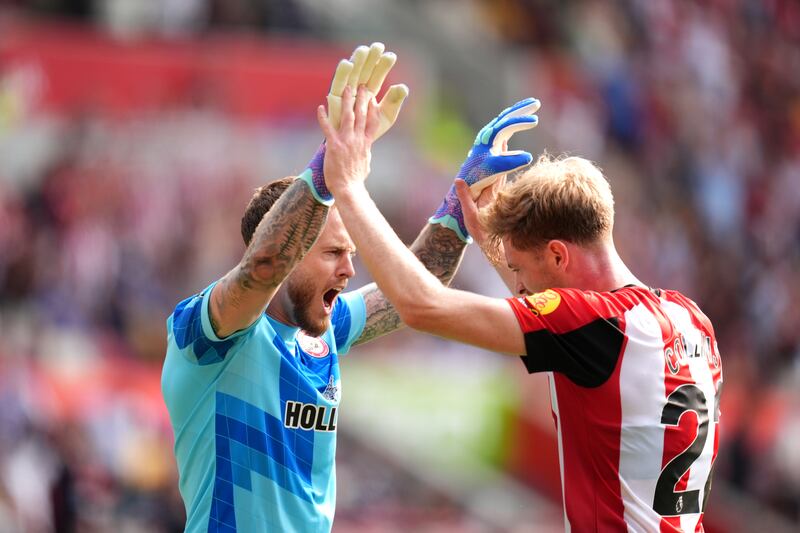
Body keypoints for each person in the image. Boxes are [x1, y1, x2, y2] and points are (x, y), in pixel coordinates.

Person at [319, 95, 724, 532]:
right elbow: (550, 308)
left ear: (556, 254)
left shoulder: (592, 323)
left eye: (518, 270)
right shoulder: (690, 318)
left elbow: (422, 306)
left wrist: (349, 188)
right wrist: (492, 235)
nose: (519, 289)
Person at [160, 43, 481, 533]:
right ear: (290, 253)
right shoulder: (207, 336)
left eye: (350, 253)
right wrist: (329, 173)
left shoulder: (323, 332)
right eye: (333, 253)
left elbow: (421, 282)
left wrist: (461, 205)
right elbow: (261, 269)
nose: (350, 270)